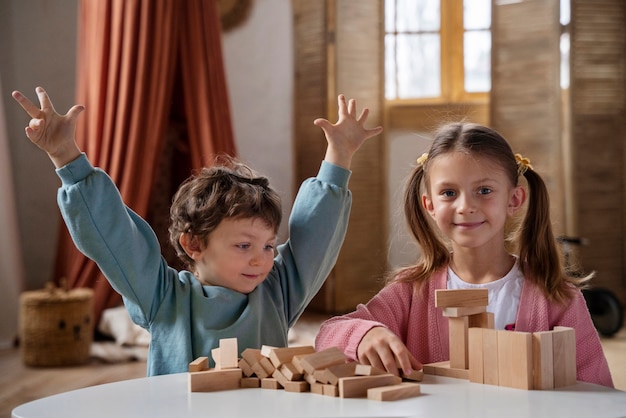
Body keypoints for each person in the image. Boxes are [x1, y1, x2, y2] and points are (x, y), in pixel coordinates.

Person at [13, 87, 383, 376]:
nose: (261, 258)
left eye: (269, 245)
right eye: (243, 244)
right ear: (194, 244)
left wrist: (339, 156)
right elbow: (116, 236)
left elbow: (314, 235)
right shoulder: (162, 297)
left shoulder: (277, 292)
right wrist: (66, 157)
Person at [315, 122, 614, 387]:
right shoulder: (411, 290)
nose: (465, 207)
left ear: (514, 199)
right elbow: (329, 333)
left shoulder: (558, 297)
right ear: (429, 205)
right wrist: (364, 335)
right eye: (448, 193)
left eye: (484, 191)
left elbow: (597, 392)